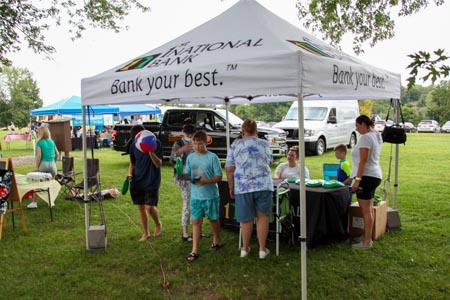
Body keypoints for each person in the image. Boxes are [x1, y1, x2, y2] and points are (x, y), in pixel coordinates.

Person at [225, 119, 273, 259]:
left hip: (243, 186)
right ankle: (262, 249)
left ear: (243, 131)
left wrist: (231, 186)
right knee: (262, 217)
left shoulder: (235, 145)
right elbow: (269, 161)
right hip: (263, 184)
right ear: (256, 130)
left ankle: (244, 249)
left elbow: (229, 169)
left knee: (246, 220)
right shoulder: (264, 143)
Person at [183, 130, 223, 262]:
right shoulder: (191, 157)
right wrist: (185, 175)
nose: (197, 146)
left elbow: (219, 177)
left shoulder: (212, 157)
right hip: (196, 196)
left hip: (211, 195)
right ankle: (194, 250)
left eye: (200, 144)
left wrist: (205, 181)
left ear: (206, 142)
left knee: (213, 219)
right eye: (194, 144)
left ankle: (217, 240)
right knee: (196, 221)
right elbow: (188, 174)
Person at [351, 115, 382, 249]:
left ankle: (366, 242)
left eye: (357, 126)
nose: (356, 129)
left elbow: (363, 160)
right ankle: (367, 237)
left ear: (363, 124)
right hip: (375, 175)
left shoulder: (365, 138)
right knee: (369, 209)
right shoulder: (375, 135)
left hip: (367, 176)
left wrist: (357, 180)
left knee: (365, 211)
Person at [127, 125, 163, 241]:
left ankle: (158, 223)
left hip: (152, 179)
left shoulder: (155, 143)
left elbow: (158, 164)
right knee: (141, 207)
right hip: (137, 180)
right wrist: (129, 173)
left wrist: (151, 153)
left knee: (149, 207)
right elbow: (132, 163)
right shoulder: (133, 145)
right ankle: (145, 233)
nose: (135, 141)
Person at [170, 123, 196, 242]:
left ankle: (196, 229)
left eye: (191, 134)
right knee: (187, 204)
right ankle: (185, 233)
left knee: (196, 204)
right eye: (187, 134)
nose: (189, 136)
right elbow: (172, 159)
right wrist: (181, 150)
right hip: (184, 178)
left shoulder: (196, 143)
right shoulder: (178, 144)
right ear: (183, 132)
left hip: (196, 176)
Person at [28, 125, 59, 209]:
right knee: (50, 184)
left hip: (43, 164)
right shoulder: (51, 141)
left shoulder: (39, 142)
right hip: (52, 164)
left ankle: (34, 202)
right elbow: (57, 154)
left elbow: (39, 156)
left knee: (37, 183)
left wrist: (36, 167)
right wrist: (54, 162)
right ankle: (51, 201)